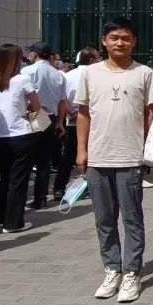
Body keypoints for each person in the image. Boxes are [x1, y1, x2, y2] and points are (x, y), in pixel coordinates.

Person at [75, 18, 153, 303]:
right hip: (98, 158)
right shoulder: (89, 73)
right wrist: (81, 150)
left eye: (125, 38)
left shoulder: (144, 73)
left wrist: (145, 151)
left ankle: (132, 272)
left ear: (134, 41)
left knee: (132, 219)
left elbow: (149, 115)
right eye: (114, 38)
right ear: (104, 41)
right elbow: (83, 114)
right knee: (104, 219)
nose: (119, 42)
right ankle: (112, 269)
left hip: (130, 158)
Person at [0, 46, 40, 234]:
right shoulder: (22, 80)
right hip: (20, 133)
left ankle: (1, 217)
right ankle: (14, 222)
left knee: (5, 178)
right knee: (18, 180)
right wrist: (27, 109)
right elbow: (37, 105)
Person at [22, 41, 68, 209]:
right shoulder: (58, 74)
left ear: (34, 54)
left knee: (26, 159)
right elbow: (62, 102)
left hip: (34, 115)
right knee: (44, 159)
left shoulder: (27, 71)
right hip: (51, 116)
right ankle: (41, 197)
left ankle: (21, 199)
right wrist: (60, 122)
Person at [53, 47, 100, 200]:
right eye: (98, 57)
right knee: (92, 155)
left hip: (72, 121)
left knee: (68, 155)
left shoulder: (68, 75)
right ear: (91, 59)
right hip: (92, 121)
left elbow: (62, 98)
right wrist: (82, 114)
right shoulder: (96, 74)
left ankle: (59, 188)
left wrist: (72, 113)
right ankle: (89, 187)